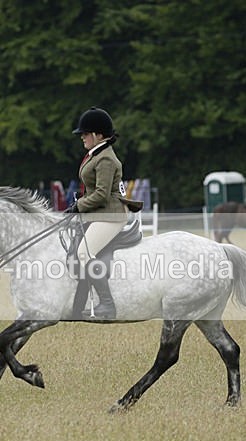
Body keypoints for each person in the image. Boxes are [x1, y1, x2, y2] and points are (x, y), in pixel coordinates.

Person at [64, 107, 142, 319]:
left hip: (110, 215)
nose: (82, 137)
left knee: (83, 252)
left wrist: (79, 205)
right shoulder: (96, 155)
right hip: (98, 214)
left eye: (85, 134)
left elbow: (101, 195)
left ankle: (107, 304)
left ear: (98, 135)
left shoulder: (106, 158)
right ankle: (77, 306)